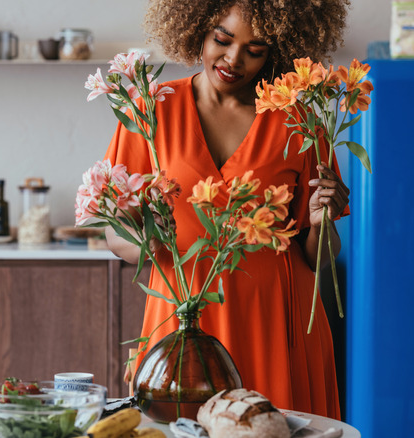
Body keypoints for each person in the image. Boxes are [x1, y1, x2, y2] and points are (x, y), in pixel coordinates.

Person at [105, 0, 351, 419]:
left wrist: (319, 222)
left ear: (276, 48)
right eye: (223, 39)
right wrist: (146, 238)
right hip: (183, 316)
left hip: (273, 323)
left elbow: (317, 257)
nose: (234, 58)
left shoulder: (297, 118)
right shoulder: (151, 107)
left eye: (255, 49)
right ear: (196, 27)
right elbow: (115, 232)